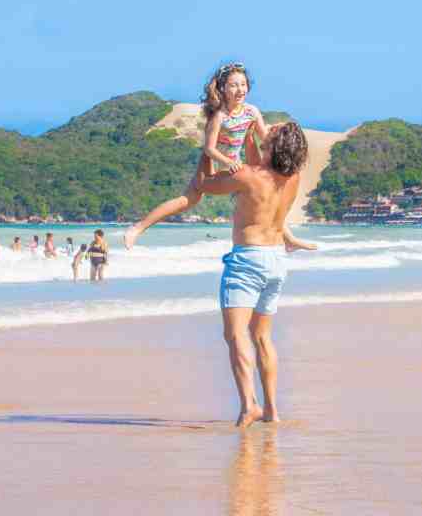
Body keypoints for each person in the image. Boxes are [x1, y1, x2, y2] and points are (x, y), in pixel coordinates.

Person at [192, 121, 312, 429]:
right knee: (262, 336)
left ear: (273, 144)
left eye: (270, 131)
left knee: (235, 334)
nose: (265, 129)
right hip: (276, 260)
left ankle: (249, 406)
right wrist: (246, 137)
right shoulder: (293, 178)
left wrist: (208, 148)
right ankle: (272, 409)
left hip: (247, 260)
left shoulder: (249, 177)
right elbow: (259, 165)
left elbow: (204, 184)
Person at [124, 63, 314, 253]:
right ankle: (138, 228)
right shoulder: (220, 116)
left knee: (271, 195)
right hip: (218, 160)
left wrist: (277, 153)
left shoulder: (252, 111)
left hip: (237, 161)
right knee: (188, 200)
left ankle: (288, 239)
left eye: (243, 84)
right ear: (222, 88)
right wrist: (227, 162)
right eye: (233, 85)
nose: (240, 89)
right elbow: (209, 148)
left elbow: (265, 138)